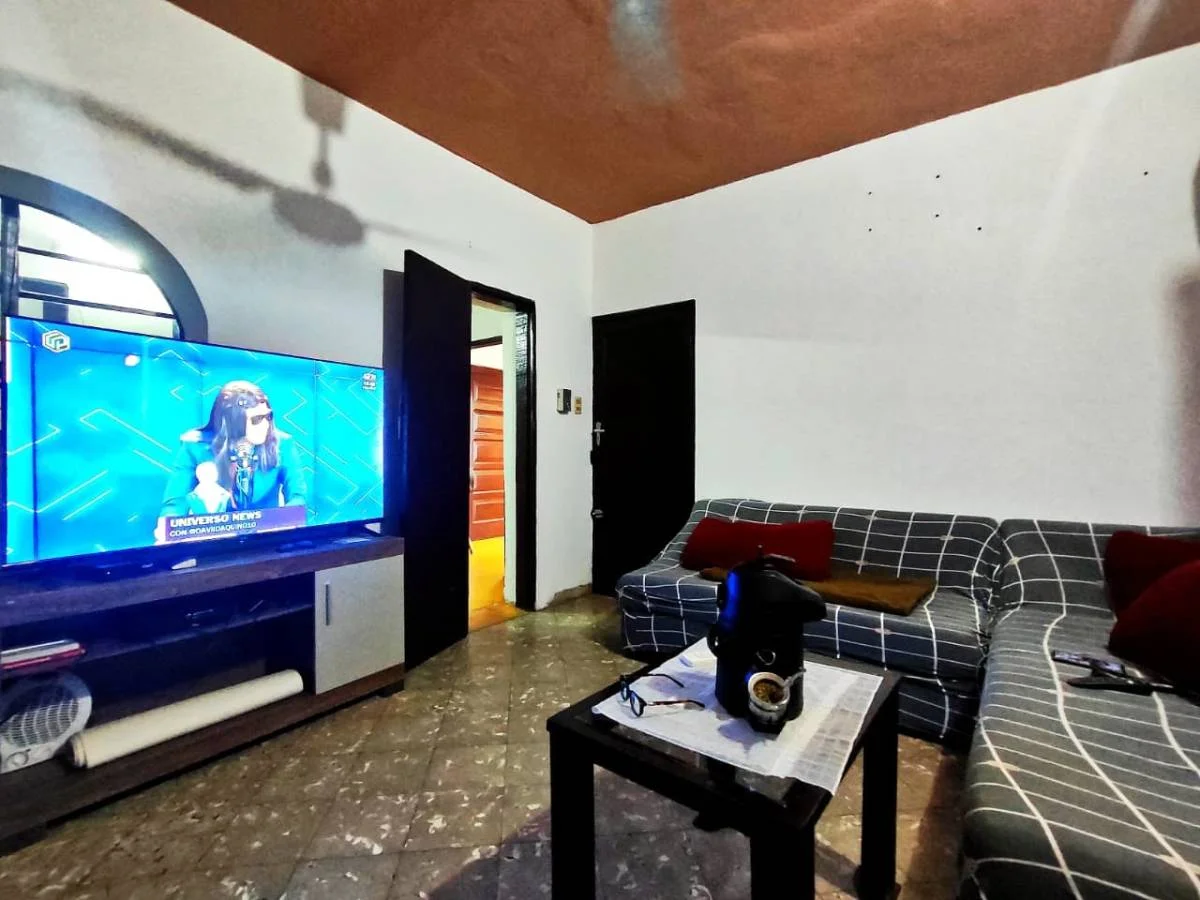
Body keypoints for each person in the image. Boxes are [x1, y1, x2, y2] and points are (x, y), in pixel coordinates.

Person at [157, 381, 307, 538]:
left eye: (268, 416)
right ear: (233, 421)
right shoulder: (195, 447)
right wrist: (167, 532)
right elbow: (175, 504)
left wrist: (285, 523)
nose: (265, 425)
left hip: (267, 539)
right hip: (215, 541)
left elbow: (298, 497)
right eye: (257, 419)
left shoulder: (283, 444)